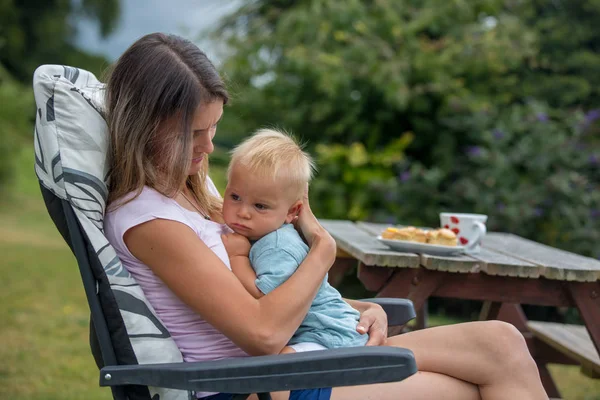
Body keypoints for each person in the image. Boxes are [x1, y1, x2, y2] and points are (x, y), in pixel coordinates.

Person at [103, 32, 548, 400]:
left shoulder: (192, 190)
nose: (209, 148)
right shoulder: (150, 220)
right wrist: (324, 251)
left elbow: (259, 295)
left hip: (307, 353)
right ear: (145, 125)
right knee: (470, 389)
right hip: (262, 383)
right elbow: (261, 333)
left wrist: (358, 307)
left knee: (503, 341)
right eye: (194, 134)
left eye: (214, 128)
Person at [220, 128, 367, 354]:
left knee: (277, 366)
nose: (243, 212)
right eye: (235, 197)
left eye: (260, 206)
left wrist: (237, 257)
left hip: (328, 335)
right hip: (319, 332)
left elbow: (266, 300)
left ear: (292, 212)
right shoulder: (262, 235)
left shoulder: (277, 246)